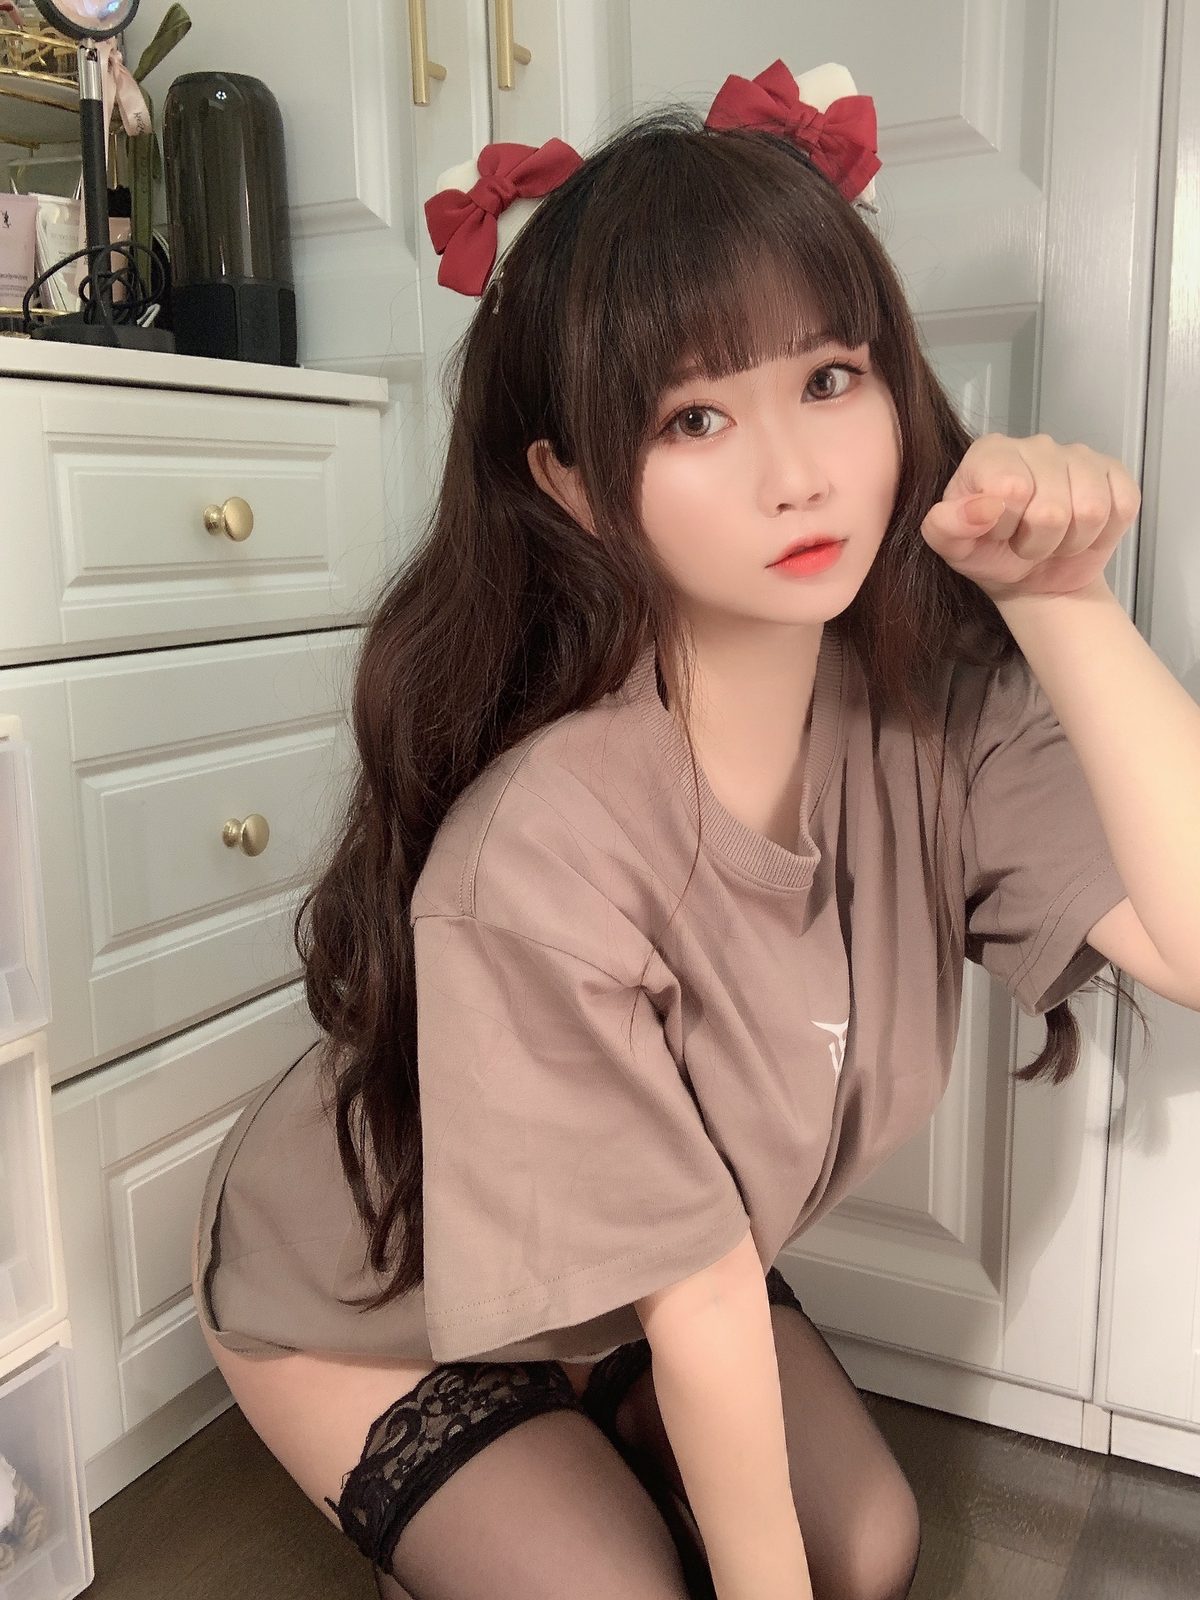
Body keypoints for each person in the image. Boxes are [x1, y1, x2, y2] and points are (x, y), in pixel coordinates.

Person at [191, 57, 1152, 1600]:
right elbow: (700, 1297)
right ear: (573, 484)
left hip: (639, 1265)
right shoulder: (544, 843)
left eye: (827, 378)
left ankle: (586, 1421)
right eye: (696, 416)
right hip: (371, 1292)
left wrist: (1066, 602)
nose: (795, 474)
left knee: (870, 1547)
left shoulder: (941, 710)